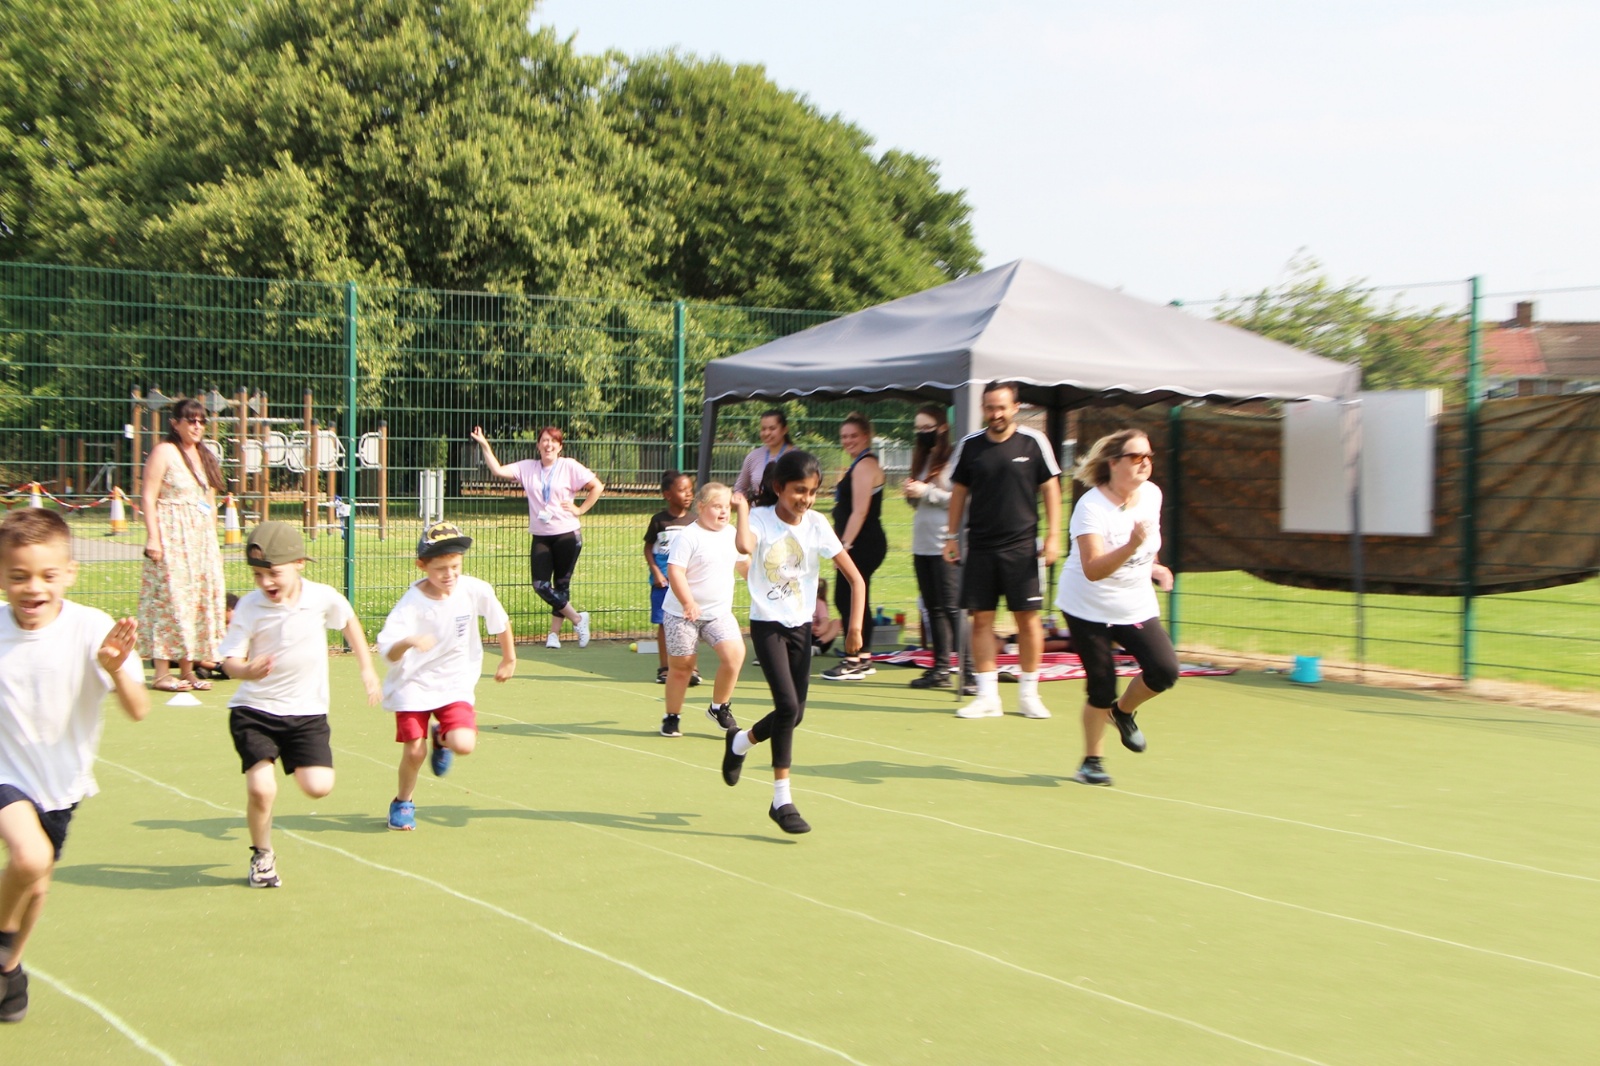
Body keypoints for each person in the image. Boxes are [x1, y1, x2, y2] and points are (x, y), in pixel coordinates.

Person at [0, 509, 148, 1024]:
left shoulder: (92, 629)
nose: (33, 588)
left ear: (70, 573)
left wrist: (115, 670)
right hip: (5, 775)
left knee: (37, 884)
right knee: (30, 856)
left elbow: (138, 709)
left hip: (61, 785)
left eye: (46, 575)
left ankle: (10, 972)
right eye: (18, 576)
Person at [219, 522, 380, 888]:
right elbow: (230, 661)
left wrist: (367, 669)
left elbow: (349, 622)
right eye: (257, 575)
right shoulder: (249, 607)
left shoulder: (322, 597)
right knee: (262, 789)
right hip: (255, 711)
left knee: (318, 786)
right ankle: (262, 855)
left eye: (273, 573)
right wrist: (246, 670)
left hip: (306, 713)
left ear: (299, 564)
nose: (265, 582)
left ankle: (290, 767)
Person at [721, 451, 865, 834]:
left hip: (801, 627)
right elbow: (745, 546)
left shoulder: (817, 524)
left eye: (813, 491)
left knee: (795, 714)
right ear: (779, 487)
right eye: (799, 490)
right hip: (768, 626)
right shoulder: (761, 519)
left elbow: (856, 579)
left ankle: (740, 743)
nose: (806, 499)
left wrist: (854, 627)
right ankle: (781, 799)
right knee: (787, 706)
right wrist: (742, 509)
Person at [1055, 430, 1179, 787]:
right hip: (1086, 606)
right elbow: (1093, 569)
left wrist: (1154, 566)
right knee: (1102, 683)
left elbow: (1149, 543)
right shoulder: (1091, 507)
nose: (1145, 463)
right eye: (1136, 456)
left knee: (1164, 670)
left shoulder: (1152, 494)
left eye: (1149, 456)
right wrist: (1129, 547)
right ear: (1113, 463)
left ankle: (1122, 713)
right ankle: (1091, 762)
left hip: (1133, 602)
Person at [377, 522, 516, 830]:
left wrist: (509, 658)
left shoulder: (474, 589)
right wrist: (409, 641)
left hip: (455, 681)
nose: (449, 574)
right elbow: (388, 653)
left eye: (455, 566)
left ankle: (442, 737)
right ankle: (403, 802)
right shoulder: (411, 604)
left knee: (463, 744)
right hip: (412, 684)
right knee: (415, 751)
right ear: (422, 566)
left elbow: (500, 621)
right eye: (440, 568)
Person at [943, 381, 1062, 719]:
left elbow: (1051, 488)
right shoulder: (970, 445)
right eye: (990, 407)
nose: (996, 414)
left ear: (1015, 408)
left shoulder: (1034, 442)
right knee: (981, 620)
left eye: (1002, 407)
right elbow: (958, 493)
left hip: (1023, 548)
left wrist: (1054, 536)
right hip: (980, 547)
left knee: (1028, 620)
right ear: (983, 409)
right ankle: (987, 697)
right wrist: (950, 537)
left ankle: (1029, 695)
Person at [470, 425, 603, 649]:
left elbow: (596, 486)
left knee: (561, 585)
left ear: (560, 446)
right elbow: (498, 471)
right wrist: (484, 445)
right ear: (538, 445)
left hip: (567, 534)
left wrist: (580, 509)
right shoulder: (528, 467)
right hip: (541, 536)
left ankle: (554, 635)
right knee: (540, 585)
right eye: (544, 440)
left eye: (553, 441)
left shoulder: (569, 466)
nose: (548, 445)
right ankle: (578, 619)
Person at [138, 397, 227, 692]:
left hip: (200, 540)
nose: (197, 426)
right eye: (191, 420)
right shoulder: (164, 451)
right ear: (175, 424)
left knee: (195, 600)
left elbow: (209, 501)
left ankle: (188, 671)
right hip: (172, 535)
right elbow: (148, 497)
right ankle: (162, 673)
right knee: (171, 600)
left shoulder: (204, 455)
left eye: (201, 421)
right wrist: (154, 537)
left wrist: (212, 542)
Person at [659, 483, 747, 738]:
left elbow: (744, 565)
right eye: (717, 506)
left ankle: (719, 707)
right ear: (701, 507)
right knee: (682, 667)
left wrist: (763, 588)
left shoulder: (732, 534)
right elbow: (676, 572)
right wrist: (688, 602)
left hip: (718, 614)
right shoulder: (688, 536)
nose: (724, 512)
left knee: (735, 655)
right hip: (681, 615)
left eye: (727, 507)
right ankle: (672, 717)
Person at [821, 412, 886, 681]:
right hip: (860, 542)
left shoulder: (864, 466)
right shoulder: (859, 464)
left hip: (862, 543)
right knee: (854, 598)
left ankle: (854, 660)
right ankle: (863, 657)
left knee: (847, 598)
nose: (848, 441)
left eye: (853, 436)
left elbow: (860, 511)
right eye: (844, 436)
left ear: (866, 436)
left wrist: (844, 547)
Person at [902, 404, 960, 690]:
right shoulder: (923, 459)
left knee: (952, 608)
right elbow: (920, 504)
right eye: (918, 428)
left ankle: (971, 670)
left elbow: (960, 499)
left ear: (943, 428)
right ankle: (941, 669)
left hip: (945, 544)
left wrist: (927, 492)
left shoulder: (954, 458)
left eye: (928, 427)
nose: (922, 433)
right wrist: (912, 494)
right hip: (922, 545)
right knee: (933, 609)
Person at [643, 471, 699, 686]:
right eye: (682, 490)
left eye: (690, 490)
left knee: (691, 624)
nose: (688, 494)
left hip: (687, 584)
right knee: (664, 624)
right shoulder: (659, 521)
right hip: (663, 584)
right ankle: (665, 668)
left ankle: (691, 668)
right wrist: (656, 572)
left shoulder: (695, 521)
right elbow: (648, 548)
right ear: (668, 494)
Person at [732, 409, 794, 500]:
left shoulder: (796, 457)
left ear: (784, 430)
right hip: (758, 508)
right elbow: (740, 488)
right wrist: (741, 501)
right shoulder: (753, 456)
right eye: (763, 429)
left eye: (772, 428)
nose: (766, 433)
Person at [811, 578, 842, 655]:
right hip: (804, 635)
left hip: (818, 638)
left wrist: (820, 629)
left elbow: (824, 621)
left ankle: (818, 644)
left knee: (837, 622)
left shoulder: (819, 603)